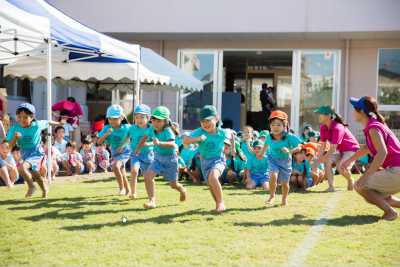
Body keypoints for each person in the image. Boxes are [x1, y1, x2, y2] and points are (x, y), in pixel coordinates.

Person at [340, 96, 400, 221]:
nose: (353, 113)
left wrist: (367, 174)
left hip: (396, 171)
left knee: (359, 186)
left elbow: (382, 153)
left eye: (355, 110)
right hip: (396, 170)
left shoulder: (373, 128)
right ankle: (391, 210)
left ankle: (390, 212)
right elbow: (367, 147)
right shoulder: (373, 125)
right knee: (370, 196)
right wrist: (348, 160)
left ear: (361, 112)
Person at [184, 105, 235, 212]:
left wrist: (233, 148)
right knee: (211, 186)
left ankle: (221, 201)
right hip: (204, 161)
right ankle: (218, 205)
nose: (205, 124)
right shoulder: (199, 131)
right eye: (203, 121)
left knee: (213, 178)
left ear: (216, 119)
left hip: (218, 159)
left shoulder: (222, 132)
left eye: (208, 120)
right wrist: (197, 138)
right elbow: (185, 141)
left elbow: (231, 133)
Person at [6, 103, 65, 197]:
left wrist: (59, 123)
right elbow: (10, 144)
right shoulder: (14, 129)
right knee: (36, 174)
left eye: (25, 117)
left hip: (36, 151)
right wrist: (15, 139)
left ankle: (31, 186)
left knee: (21, 168)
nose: (21, 119)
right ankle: (45, 189)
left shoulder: (36, 125)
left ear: (32, 117)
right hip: (24, 152)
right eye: (19, 116)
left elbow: (48, 122)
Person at [134, 106, 186, 209]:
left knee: (173, 185)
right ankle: (152, 201)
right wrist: (138, 148)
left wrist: (159, 143)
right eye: (153, 120)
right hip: (157, 158)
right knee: (147, 177)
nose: (155, 123)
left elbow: (172, 144)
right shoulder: (151, 128)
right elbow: (145, 136)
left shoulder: (168, 131)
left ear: (166, 121)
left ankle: (182, 190)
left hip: (170, 159)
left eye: (159, 121)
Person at [311, 105, 360, 192]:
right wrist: (317, 161)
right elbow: (323, 146)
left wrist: (320, 160)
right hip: (339, 150)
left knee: (341, 169)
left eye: (320, 114)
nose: (318, 115)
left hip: (351, 149)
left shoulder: (338, 127)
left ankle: (350, 180)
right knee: (327, 161)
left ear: (328, 115)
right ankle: (331, 187)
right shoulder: (323, 127)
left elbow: (333, 148)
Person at [261, 111, 301, 206]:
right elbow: (266, 145)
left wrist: (289, 150)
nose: (275, 127)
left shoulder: (289, 137)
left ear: (284, 126)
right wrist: (261, 153)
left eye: (278, 125)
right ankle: (272, 196)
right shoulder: (268, 137)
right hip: (273, 159)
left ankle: (284, 200)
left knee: (284, 184)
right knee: (273, 176)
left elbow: (298, 147)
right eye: (272, 124)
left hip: (285, 161)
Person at [119, 104, 154, 200]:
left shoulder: (152, 129)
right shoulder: (132, 128)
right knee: (134, 170)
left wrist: (148, 144)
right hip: (136, 154)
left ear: (148, 117)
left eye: (142, 117)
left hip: (148, 155)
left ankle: (151, 194)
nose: (139, 120)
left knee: (149, 176)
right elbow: (127, 137)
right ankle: (133, 192)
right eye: (136, 117)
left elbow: (155, 142)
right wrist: (121, 146)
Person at [98, 105, 131, 196]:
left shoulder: (127, 127)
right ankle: (128, 189)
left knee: (115, 167)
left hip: (125, 150)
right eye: (110, 119)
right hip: (114, 151)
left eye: (115, 119)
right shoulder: (106, 128)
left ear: (122, 117)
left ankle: (122, 189)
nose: (112, 121)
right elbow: (99, 141)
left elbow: (135, 134)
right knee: (122, 173)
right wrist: (106, 134)